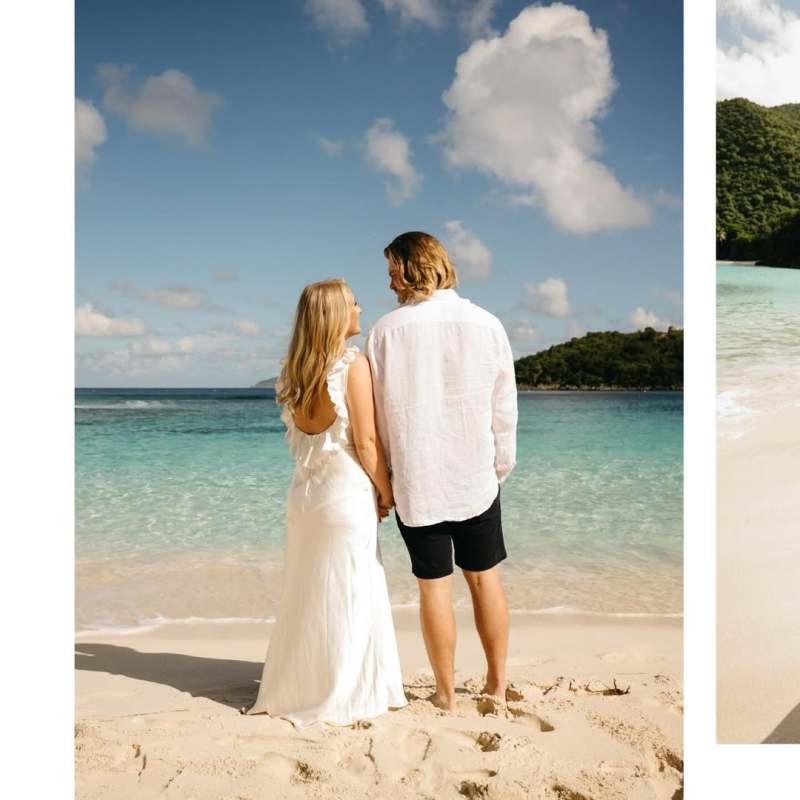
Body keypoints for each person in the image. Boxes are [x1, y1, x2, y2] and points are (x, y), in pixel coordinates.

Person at [366, 231, 517, 711]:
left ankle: (447, 695)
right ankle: (495, 684)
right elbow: (504, 407)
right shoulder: (487, 324)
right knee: (483, 579)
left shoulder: (384, 332)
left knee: (434, 587)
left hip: (417, 479)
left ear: (416, 266)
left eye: (394, 271)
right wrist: (499, 468)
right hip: (474, 476)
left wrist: (385, 482)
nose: (390, 283)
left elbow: (380, 417)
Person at [247, 278, 407, 726]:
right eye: (354, 302)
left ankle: (297, 685)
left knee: (308, 592)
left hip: (305, 496)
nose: (360, 308)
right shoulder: (351, 366)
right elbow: (368, 442)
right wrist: (387, 492)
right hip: (344, 495)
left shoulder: (294, 372)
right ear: (338, 314)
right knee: (350, 591)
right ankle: (343, 691)